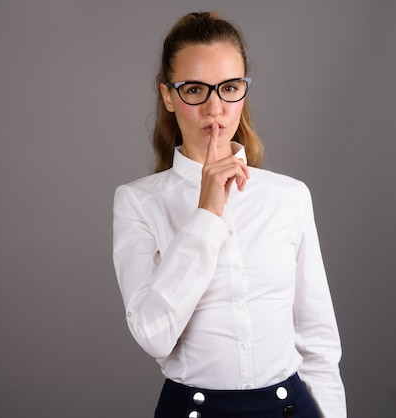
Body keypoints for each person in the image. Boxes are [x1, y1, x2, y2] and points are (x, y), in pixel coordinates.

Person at [112, 11, 346, 418]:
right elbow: (154, 335)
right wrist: (206, 213)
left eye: (229, 88)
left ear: (243, 91)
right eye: (195, 90)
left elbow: (318, 342)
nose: (215, 108)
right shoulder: (137, 202)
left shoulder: (288, 196)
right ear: (168, 95)